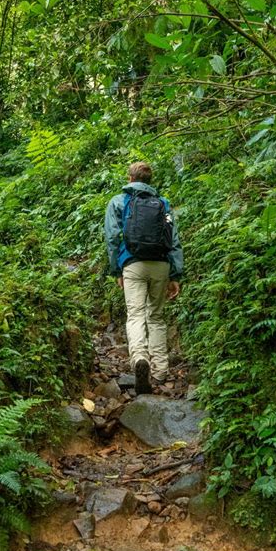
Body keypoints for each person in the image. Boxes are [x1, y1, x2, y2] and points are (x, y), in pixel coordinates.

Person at [104, 161, 183, 394]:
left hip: (133, 264)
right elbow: (174, 240)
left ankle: (140, 359)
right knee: (156, 317)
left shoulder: (119, 201)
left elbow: (112, 239)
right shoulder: (163, 204)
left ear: (130, 178)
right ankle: (160, 370)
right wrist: (175, 274)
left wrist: (117, 269)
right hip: (160, 265)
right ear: (149, 181)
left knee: (136, 314)